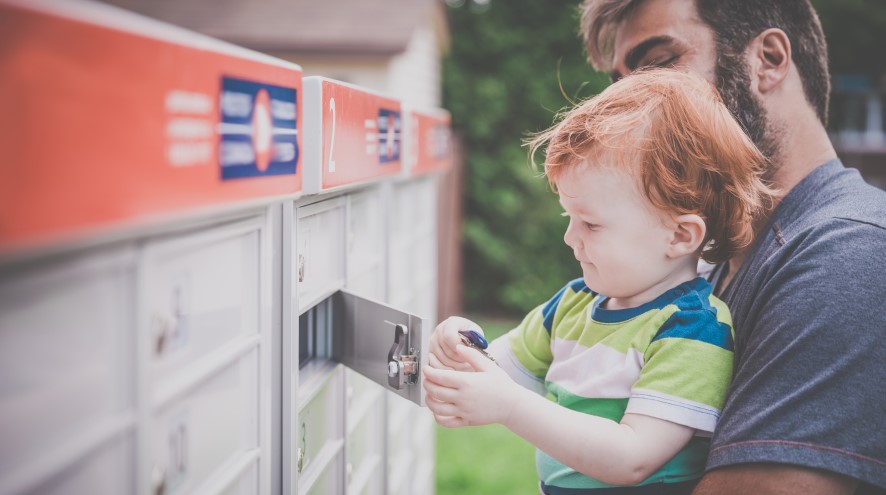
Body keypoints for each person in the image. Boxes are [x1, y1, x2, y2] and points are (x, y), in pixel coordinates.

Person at [576, 0, 886, 493]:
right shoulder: (706, 265)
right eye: (621, 84)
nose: (631, 105)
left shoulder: (849, 255)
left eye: (657, 65)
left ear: (768, 60)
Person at [424, 69, 774, 494]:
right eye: (569, 217)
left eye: (591, 223)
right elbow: (496, 375)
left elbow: (631, 459)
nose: (570, 238)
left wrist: (510, 406)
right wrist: (463, 345)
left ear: (680, 236)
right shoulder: (572, 305)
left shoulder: (692, 329)